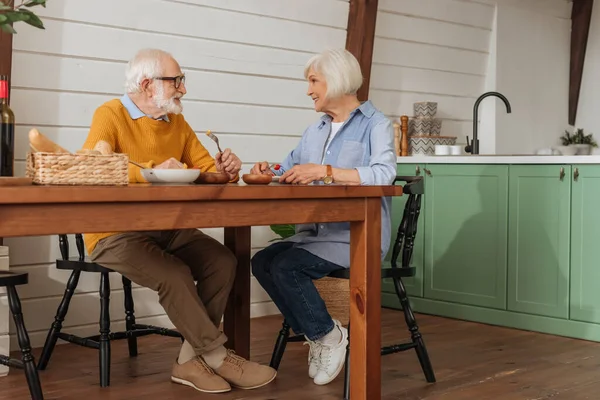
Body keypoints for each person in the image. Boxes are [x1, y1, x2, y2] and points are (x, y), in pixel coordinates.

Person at [81, 48, 276, 394]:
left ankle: (188, 361)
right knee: (175, 274)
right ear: (146, 84)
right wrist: (151, 173)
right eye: (177, 81)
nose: (183, 89)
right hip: (114, 232)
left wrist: (225, 169)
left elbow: (203, 169)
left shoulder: (178, 124)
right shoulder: (110, 114)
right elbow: (96, 166)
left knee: (222, 261)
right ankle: (217, 356)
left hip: (169, 228)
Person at [250, 48, 396, 385]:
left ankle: (326, 336)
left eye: (314, 81)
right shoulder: (315, 130)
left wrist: (326, 171)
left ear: (337, 80)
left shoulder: (376, 124)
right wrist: (268, 169)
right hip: (315, 235)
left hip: (356, 236)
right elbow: (288, 168)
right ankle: (321, 334)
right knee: (261, 262)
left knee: (288, 267)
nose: (308, 90)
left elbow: (384, 173)